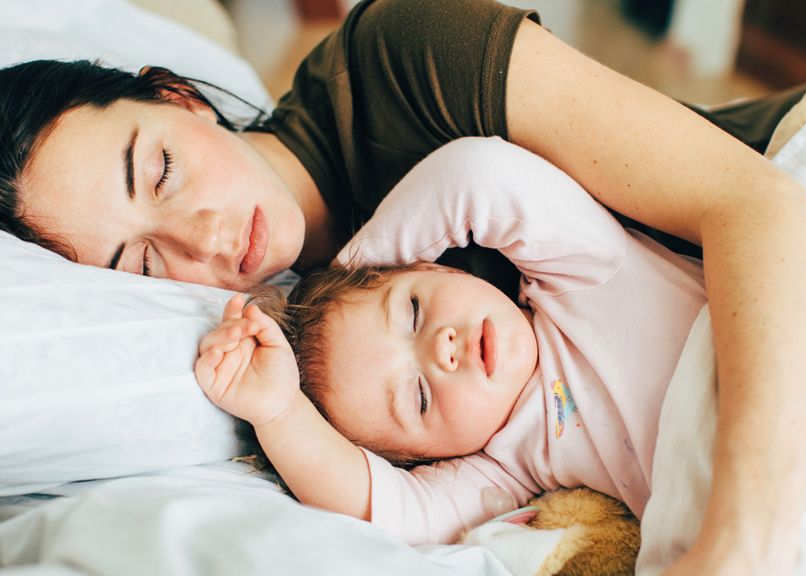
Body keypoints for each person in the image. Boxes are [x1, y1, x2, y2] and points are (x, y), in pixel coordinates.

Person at [0, 1, 806, 576]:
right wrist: (286, 408)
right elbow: (393, 511)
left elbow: (764, 211)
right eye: (141, 263)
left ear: (181, 99)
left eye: (163, 172)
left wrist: (738, 568)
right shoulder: (400, 405)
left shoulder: (395, 63)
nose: (205, 241)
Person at [196, 137, 708, 546]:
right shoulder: (507, 465)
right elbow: (386, 511)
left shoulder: (580, 272)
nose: (441, 350)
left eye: (413, 310)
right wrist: (281, 413)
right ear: (435, 456)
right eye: (418, 396)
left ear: (430, 264)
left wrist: (358, 273)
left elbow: (478, 174)